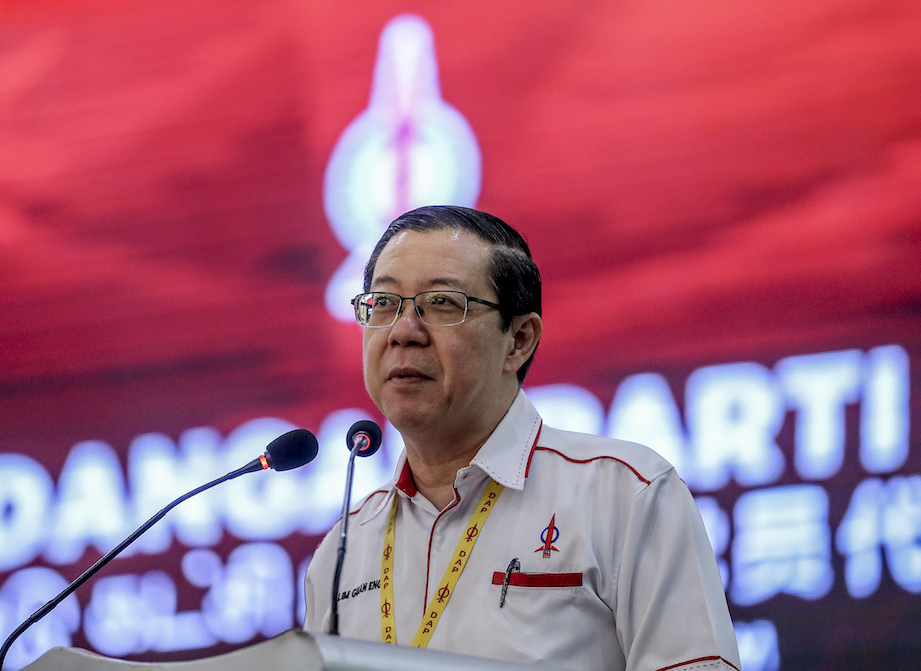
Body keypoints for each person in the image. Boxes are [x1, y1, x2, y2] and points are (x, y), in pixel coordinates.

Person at [303, 205, 741, 670]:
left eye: (442, 303)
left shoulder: (625, 494)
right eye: (383, 304)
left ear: (518, 340)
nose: (403, 332)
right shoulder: (343, 549)